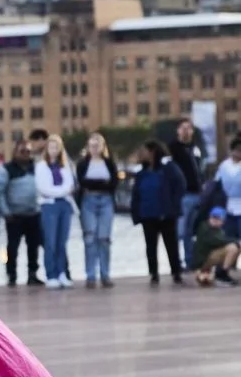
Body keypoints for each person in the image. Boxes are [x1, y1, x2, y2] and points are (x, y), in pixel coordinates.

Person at [130, 141, 187, 286]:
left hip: (166, 214)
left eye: (144, 151)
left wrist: (172, 205)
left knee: (171, 244)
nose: (142, 154)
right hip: (147, 214)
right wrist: (136, 213)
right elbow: (136, 194)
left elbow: (180, 186)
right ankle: (153, 273)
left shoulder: (169, 168)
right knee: (150, 245)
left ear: (153, 152)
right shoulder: (141, 173)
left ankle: (176, 272)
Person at [0, 139, 44, 286]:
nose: (26, 154)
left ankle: (32, 274)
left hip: (34, 213)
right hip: (14, 215)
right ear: (15, 152)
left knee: (33, 246)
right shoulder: (6, 169)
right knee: (13, 247)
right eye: (22, 151)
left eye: (28, 151)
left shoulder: (36, 167)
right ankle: (12, 275)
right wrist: (5, 212)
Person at [75, 133, 118, 289]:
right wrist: (100, 183)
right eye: (92, 146)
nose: (94, 148)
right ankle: (90, 275)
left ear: (103, 147)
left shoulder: (109, 162)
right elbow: (82, 182)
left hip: (106, 200)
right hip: (88, 200)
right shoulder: (83, 164)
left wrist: (98, 183)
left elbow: (113, 182)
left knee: (104, 238)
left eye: (97, 145)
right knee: (90, 237)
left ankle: (105, 274)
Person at [36, 134, 77, 288]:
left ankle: (62, 273)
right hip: (49, 206)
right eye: (51, 147)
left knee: (62, 241)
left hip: (65, 205)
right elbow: (44, 188)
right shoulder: (41, 166)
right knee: (50, 241)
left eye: (56, 147)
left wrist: (61, 192)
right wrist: (61, 191)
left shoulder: (65, 165)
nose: (53, 150)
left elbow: (70, 185)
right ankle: (51, 274)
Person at [169, 119, 208, 271]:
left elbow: (200, 169)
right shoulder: (173, 148)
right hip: (183, 195)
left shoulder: (195, 148)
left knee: (190, 232)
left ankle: (190, 261)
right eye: (183, 128)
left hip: (197, 193)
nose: (186, 131)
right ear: (178, 130)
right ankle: (176, 263)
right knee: (180, 231)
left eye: (189, 128)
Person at [192, 207, 239, 287]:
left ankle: (218, 272)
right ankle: (221, 275)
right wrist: (236, 241)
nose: (215, 220)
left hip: (210, 257)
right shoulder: (204, 227)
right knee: (232, 248)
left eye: (218, 218)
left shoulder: (219, 230)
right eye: (213, 217)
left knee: (235, 247)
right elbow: (218, 241)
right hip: (202, 260)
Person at [217, 137, 241, 242]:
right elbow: (217, 183)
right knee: (229, 240)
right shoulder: (224, 166)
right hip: (227, 208)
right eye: (237, 149)